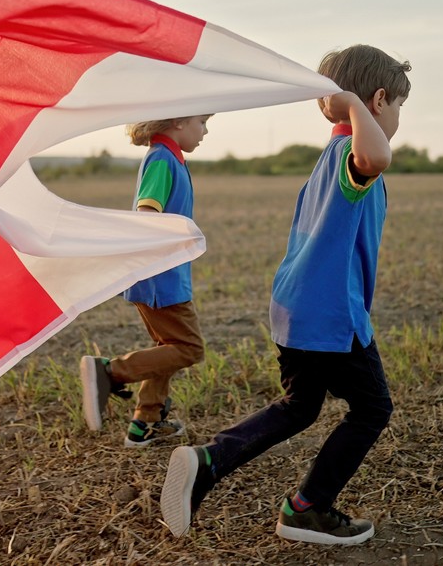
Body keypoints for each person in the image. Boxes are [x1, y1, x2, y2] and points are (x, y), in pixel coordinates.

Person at [159, 45, 411, 545]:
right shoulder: (351, 156)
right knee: (373, 408)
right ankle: (307, 508)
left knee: (300, 407)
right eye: (399, 104)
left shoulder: (331, 155)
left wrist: (349, 109)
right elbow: (377, 155)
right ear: (379, 101)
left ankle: (208, 461)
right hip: (329, 315)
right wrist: (353, 106)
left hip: (296, 307)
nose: (399, 115)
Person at [81, 113, 212, 447]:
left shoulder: (170, 158)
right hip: (161, 278)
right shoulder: (162, 160)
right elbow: (147, 213)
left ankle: (146, 422)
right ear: (179, 122)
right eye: (202, 121)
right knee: (188, 348)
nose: (206, 130)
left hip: (161, 275)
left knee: (167, 346)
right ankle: (110, 373)